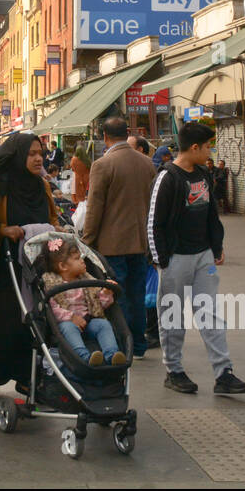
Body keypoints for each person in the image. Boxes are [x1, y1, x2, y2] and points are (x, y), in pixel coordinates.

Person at [147, 121, 245, 396]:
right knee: (173, 316)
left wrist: (216, 247)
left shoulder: (203, 174)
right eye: (207, 147)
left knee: (211, 315)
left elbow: (210, 215)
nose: (210, 152)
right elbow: (153, 223)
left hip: (203, 256)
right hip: (175, 259)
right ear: (194, 148)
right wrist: (161, 260)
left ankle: (223, 373)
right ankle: (174, 370)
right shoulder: (167, 178)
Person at [0, 132, 60, 403]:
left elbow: (51, 218)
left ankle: (27, 379)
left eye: (41, 153)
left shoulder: (42, 186)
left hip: (35, 270)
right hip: (4, 270)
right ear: (17, 156)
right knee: (0, 323)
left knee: (31, 324)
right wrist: (3, 230)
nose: (39, 158)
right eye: (31, 154)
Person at [80, 116, 156, 361]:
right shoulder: (147, 163)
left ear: (105, 136)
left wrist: (87, 242)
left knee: (115, 295)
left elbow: (94, 209)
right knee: (136, 293)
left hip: (112, 245)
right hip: (140, 241)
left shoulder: (103, 165)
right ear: (127, 133)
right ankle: (140, 344)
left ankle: (123, 344)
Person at [42, 237, 126, 367]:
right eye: (77, 259)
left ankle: (112, 355)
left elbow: (99, 305)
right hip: (67, 323)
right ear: (63, 266)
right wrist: (71, 317)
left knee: (103, 324)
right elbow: (52, 309)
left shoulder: (87, 281)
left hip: (89, 321)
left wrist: (106, 293)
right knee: (67, 328)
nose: (82, 261)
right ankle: (84, 357)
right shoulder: (51, 284)